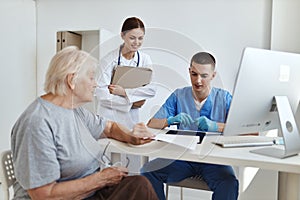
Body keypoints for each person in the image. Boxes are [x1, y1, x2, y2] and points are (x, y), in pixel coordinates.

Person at [11, 46, 158, 200]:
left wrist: (131, 136)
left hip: (89, 192)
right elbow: (44, 195)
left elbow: (109, 127)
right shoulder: (37, 123)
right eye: (91, 77)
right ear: (72, 80)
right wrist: (101, 179)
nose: (95, 84)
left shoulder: (74, 110)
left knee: (140, 185)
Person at [141, 52, 239, 200]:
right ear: (189, 71)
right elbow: (152, 124)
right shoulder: (179, 95)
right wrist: (171, 120)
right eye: (194, 74)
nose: (198, 80)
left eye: (204, 76)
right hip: (183, 158)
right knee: (148, 172)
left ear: (213, 75)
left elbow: (245, 131)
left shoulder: (224, 98)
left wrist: (216, 127)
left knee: (229, 183)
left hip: (214, 160)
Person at [96, 16, 156, 129]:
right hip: (109, 119)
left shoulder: (145, 59)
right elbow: (102, 95)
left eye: (140, 38)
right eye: (132, 38)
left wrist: (124, 92)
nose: (136, 43)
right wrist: (132, 103)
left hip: (131, 121)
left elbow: (151, 90)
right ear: (123, 35)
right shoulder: (108, 60)